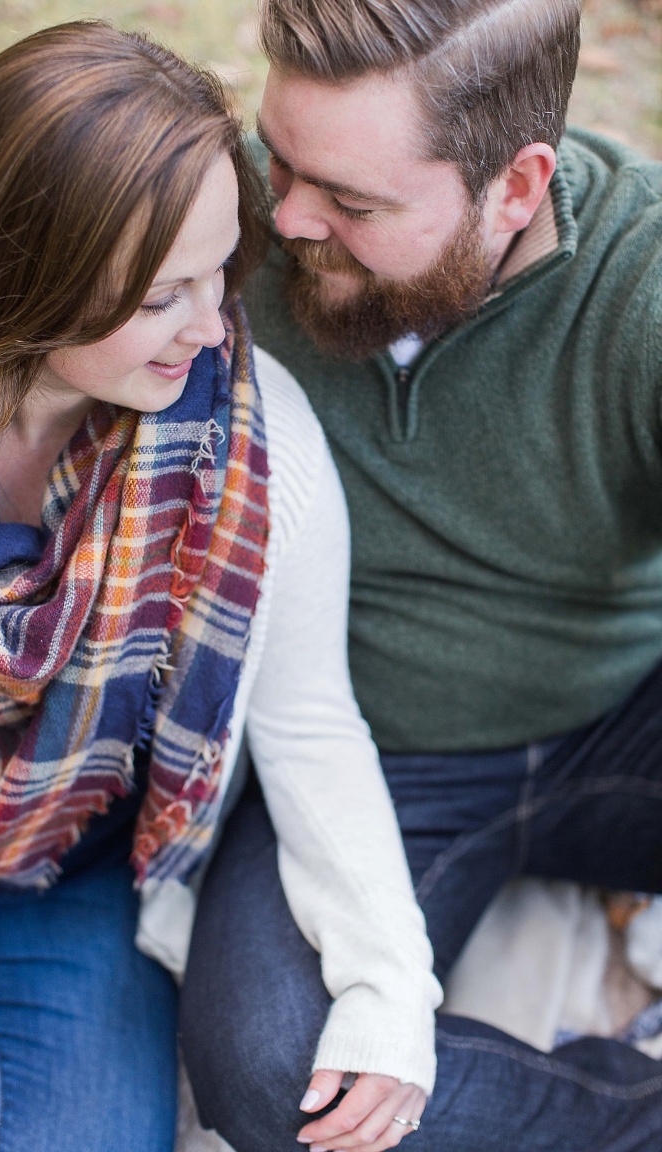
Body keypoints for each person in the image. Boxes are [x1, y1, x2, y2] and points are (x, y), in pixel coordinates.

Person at [0, 19, 441, 1152]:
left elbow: (306, 720)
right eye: (160, 297)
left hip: (66, 865)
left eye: (219, 272)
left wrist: (393, 988)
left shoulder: (252, 436)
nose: (213, 327)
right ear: (18, 277)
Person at [178, 1, 662, 1150]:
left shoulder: (639, 289)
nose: (285, 219)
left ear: (516, 187)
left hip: (625, 721)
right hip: (363, 756)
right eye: (279, 156)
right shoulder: (220, 215)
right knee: (272, 1074)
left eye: (351, 203)